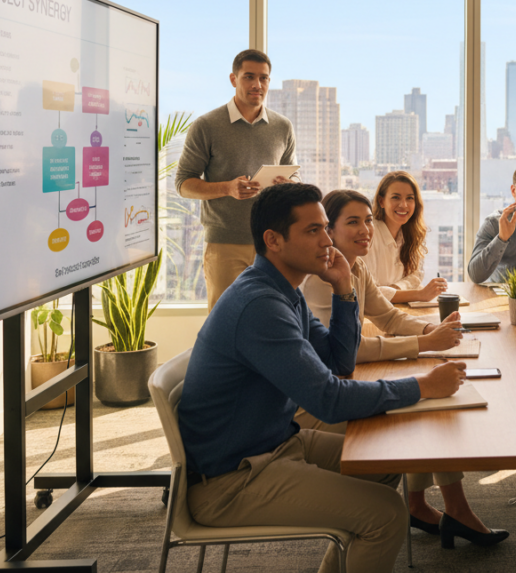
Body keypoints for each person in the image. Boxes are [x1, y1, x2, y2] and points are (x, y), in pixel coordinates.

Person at [177, 183, 467, 573]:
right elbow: (329, 400)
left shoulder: (285, 291)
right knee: (386, 515)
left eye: (325, 228)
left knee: (383, 460)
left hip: (275, 444)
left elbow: (338, 361)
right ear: (273, 240)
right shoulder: (261, 305)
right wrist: (422, 386)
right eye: (313, 230)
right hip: (232, 480)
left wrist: (344, 290)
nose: (327, 240)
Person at [303, 190, 509, 548]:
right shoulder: (321, 278)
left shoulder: (356, 265)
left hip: (343, 383)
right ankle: (448, 509)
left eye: (368, 220)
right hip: (323, 397)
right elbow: (347, 353)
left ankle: (434, 506)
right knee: (421, 407)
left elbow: (388, 316)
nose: (366, 229)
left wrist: (431, 330)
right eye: (353, 222)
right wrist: (423, 344)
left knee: (429, 401)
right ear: (328, 231)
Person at [175, 49, 298, 312]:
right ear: (234, 79)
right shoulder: (206, 126)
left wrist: (289, 185)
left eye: (264, 78)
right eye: (249, 77)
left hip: (273, 243)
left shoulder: (283, 126)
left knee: (274, 317)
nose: (257, 85)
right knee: (225, 321)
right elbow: (183, 184)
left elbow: (294, 174)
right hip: (225, 244)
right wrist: (227, 188)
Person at [363, 171, 447, 303]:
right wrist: (419, 295)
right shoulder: (368, 234)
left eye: (409, 198)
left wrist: (395, 289)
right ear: (381, 201)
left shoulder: (411, 233)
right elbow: (367, 292)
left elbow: (415, 275)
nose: (404, 205)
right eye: (396, 197)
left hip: (397, 310)